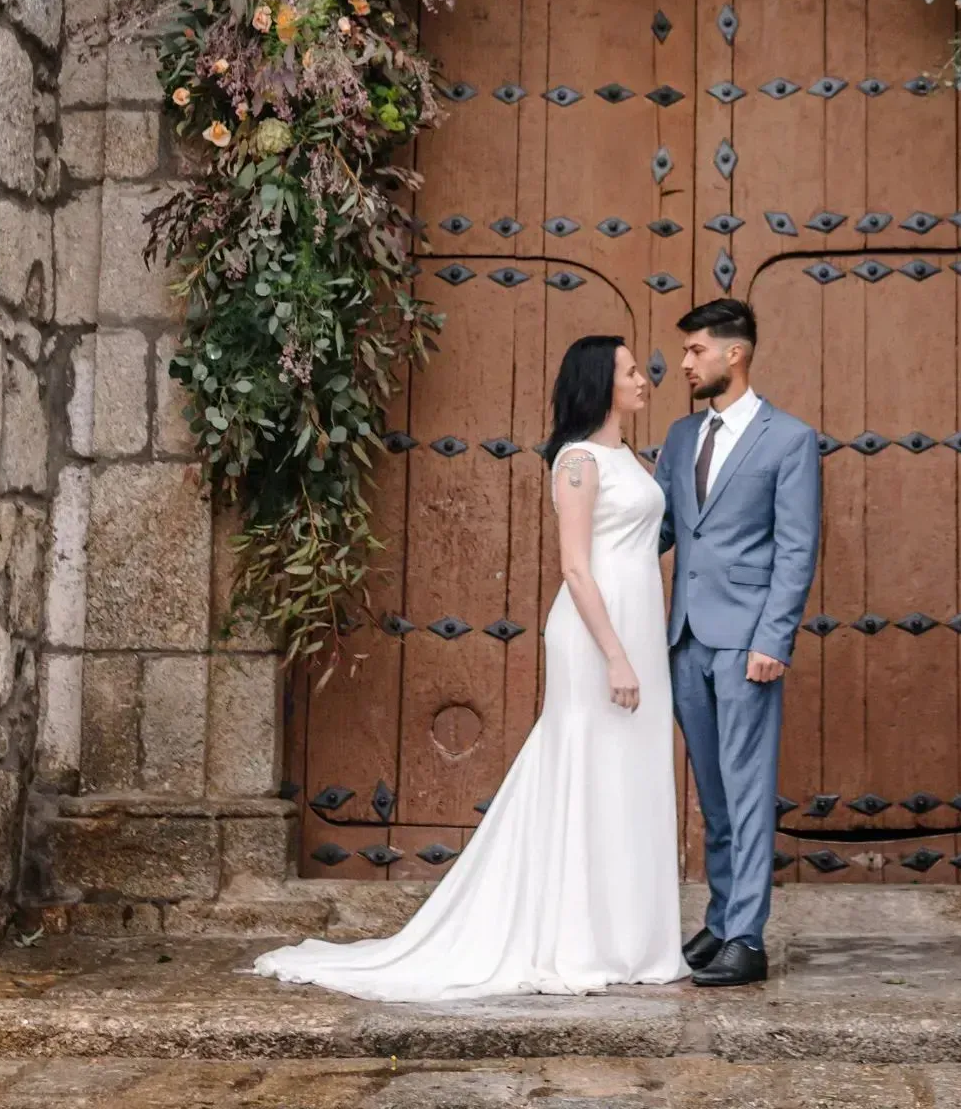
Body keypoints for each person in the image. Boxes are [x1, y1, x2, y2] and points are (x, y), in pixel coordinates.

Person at [252, 335, 687, 1000]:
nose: (643, 378)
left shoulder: (629, 456)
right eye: (631, 371)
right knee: (587, 767)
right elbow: (575, 565)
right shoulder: (576, 462)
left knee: (629, 773)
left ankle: (631, 939)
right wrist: (616, 653)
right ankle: (577, 939)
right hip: (599, 634)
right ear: (601, 382)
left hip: (638, 629)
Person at [654, 298, 822, 988]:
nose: (685, 363)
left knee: (748, 791)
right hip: (687, 637)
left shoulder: (790, 439)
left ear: (735, 353)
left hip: (748, 640)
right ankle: (722, 920)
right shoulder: (678, 435)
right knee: (715, 794)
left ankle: (747, 939)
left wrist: (773, 638)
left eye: (695, 350)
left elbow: (797, 546)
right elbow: (660, 533)